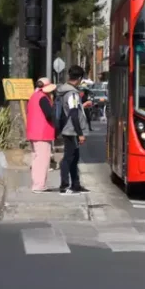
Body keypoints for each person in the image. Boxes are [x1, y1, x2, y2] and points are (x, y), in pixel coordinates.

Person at [56, 65, 89, 195]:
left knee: (74, 157)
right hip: (71, 130)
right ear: (79, 78)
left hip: (68, 128)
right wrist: (80, 133)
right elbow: (74, 114)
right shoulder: (72, 93)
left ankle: (76, 185)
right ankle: (64, 186)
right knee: (68, 158)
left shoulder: (65, 91)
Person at [25, 77, 57, 193]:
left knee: (36, 158)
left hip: (33, 132)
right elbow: (49, 114)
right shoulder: (43, 98)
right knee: (43, 160)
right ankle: (39, 185)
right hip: (43, 132)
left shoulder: (33, 96)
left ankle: (36, 183)